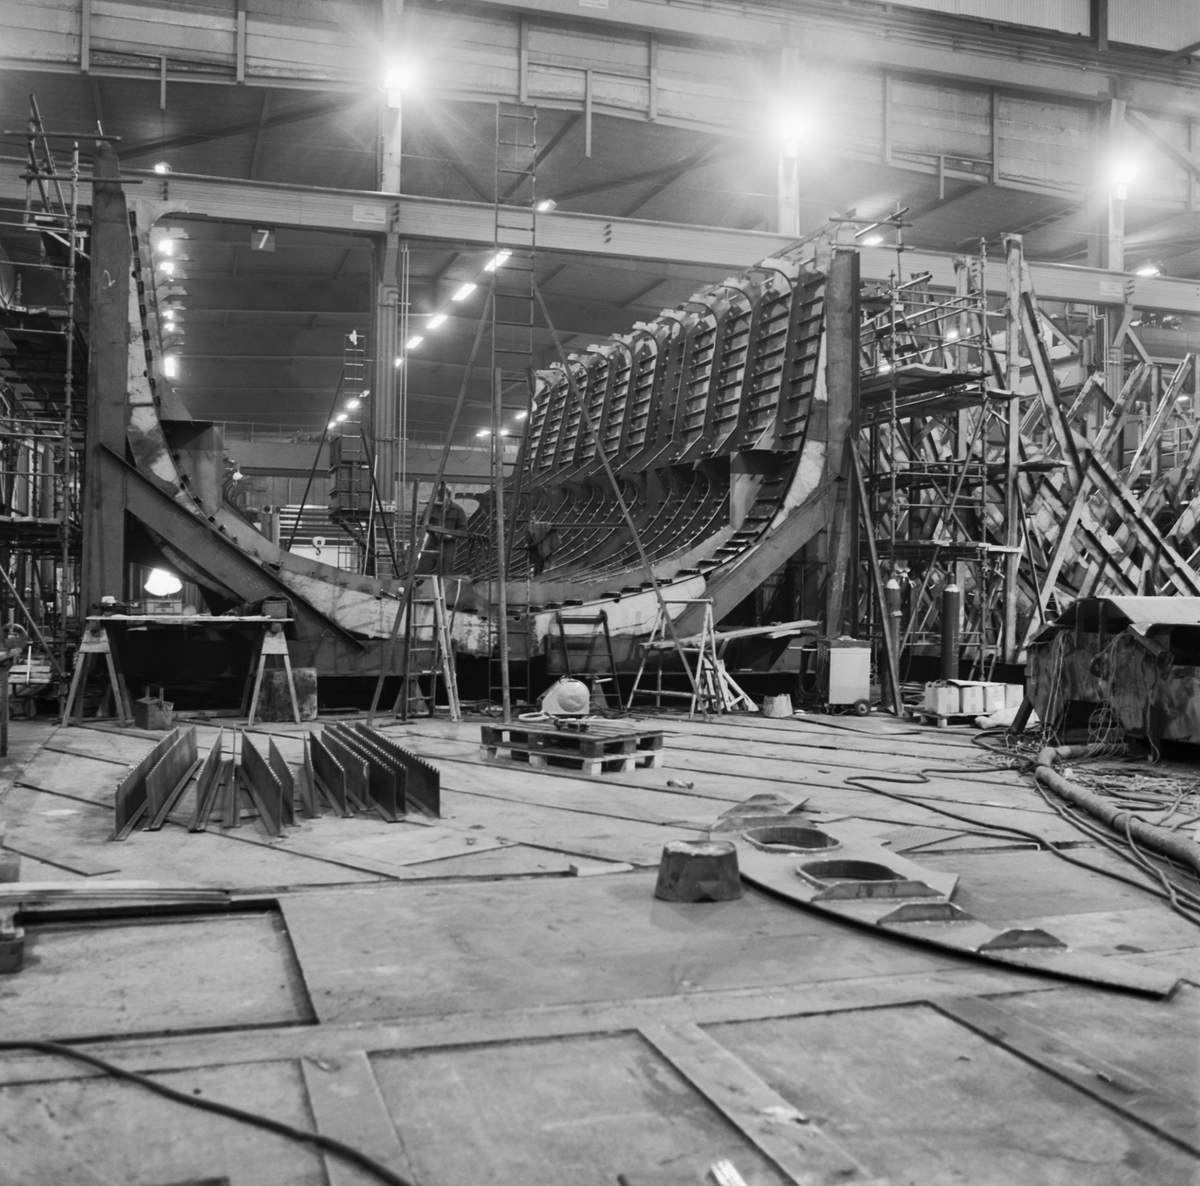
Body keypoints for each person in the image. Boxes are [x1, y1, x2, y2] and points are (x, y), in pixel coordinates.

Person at [425, 484, 468, 573]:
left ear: (449, 497)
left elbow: (462, 529)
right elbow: (422, 523)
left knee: (446, 570)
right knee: (423, 567)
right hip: (432, 542)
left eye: (442, 497)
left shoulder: (458, 511)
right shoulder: (431, 508)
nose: (440, 500)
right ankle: (419, 581)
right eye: (439, 497)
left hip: (448, 545)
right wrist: (433, 530)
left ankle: (443, 582)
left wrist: (450, 536)